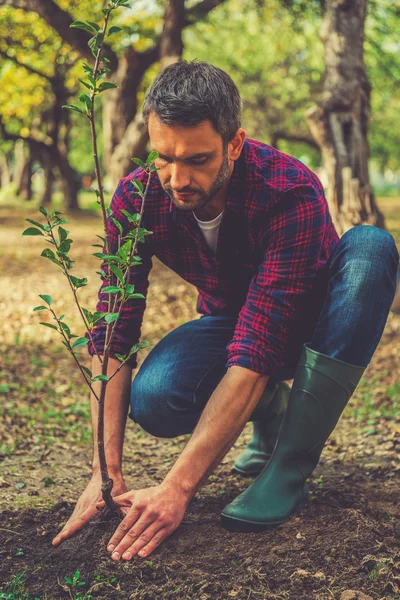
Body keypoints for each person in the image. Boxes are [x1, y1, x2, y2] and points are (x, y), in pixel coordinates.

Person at [52, 60, 399, 558]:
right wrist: (104, 475)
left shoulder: (289, 189)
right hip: (230, 322)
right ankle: (270, 412)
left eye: (197, 159)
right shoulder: (138, 197)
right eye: (164, 157)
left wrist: (178, 488)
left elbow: (262, 342)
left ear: (234, 144)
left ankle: (288, 468)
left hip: (314, 324)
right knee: (155, 397)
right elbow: (114, 330)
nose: (177, 177)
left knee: (371, 249)